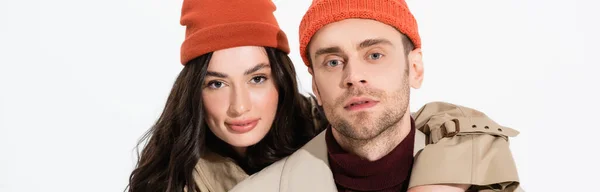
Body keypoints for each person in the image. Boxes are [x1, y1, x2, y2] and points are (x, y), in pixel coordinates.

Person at [231, 0, 523, 191]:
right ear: (316, 88)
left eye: (374, 54)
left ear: (415, 68)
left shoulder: (482, 174)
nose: (353, 76)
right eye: (333, 62)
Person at [126, 0, 325, 191]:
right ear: (194, 92)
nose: (239, 107)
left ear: (281, 79)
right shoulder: (171, 179)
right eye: (217, 84)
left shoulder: (330, 134)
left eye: (257, 79)